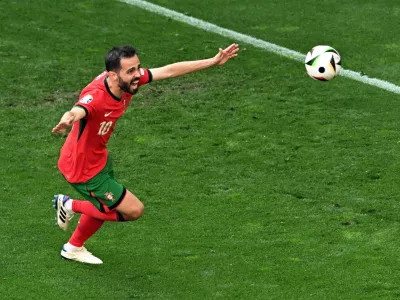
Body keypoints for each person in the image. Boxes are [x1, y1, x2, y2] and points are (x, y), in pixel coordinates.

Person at [52, 43, 240, 264]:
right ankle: (68, 205)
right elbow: (80, 108)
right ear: (113, 75)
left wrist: (212, 61)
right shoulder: (97, 96)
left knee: (108, 204)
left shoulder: (125, 81)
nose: (137, 75)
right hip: (82, 168)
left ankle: (73, 247)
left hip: (98, 157)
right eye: (130, 71)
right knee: (133, 210)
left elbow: (168, 71)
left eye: (138, 68)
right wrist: (68, 118)